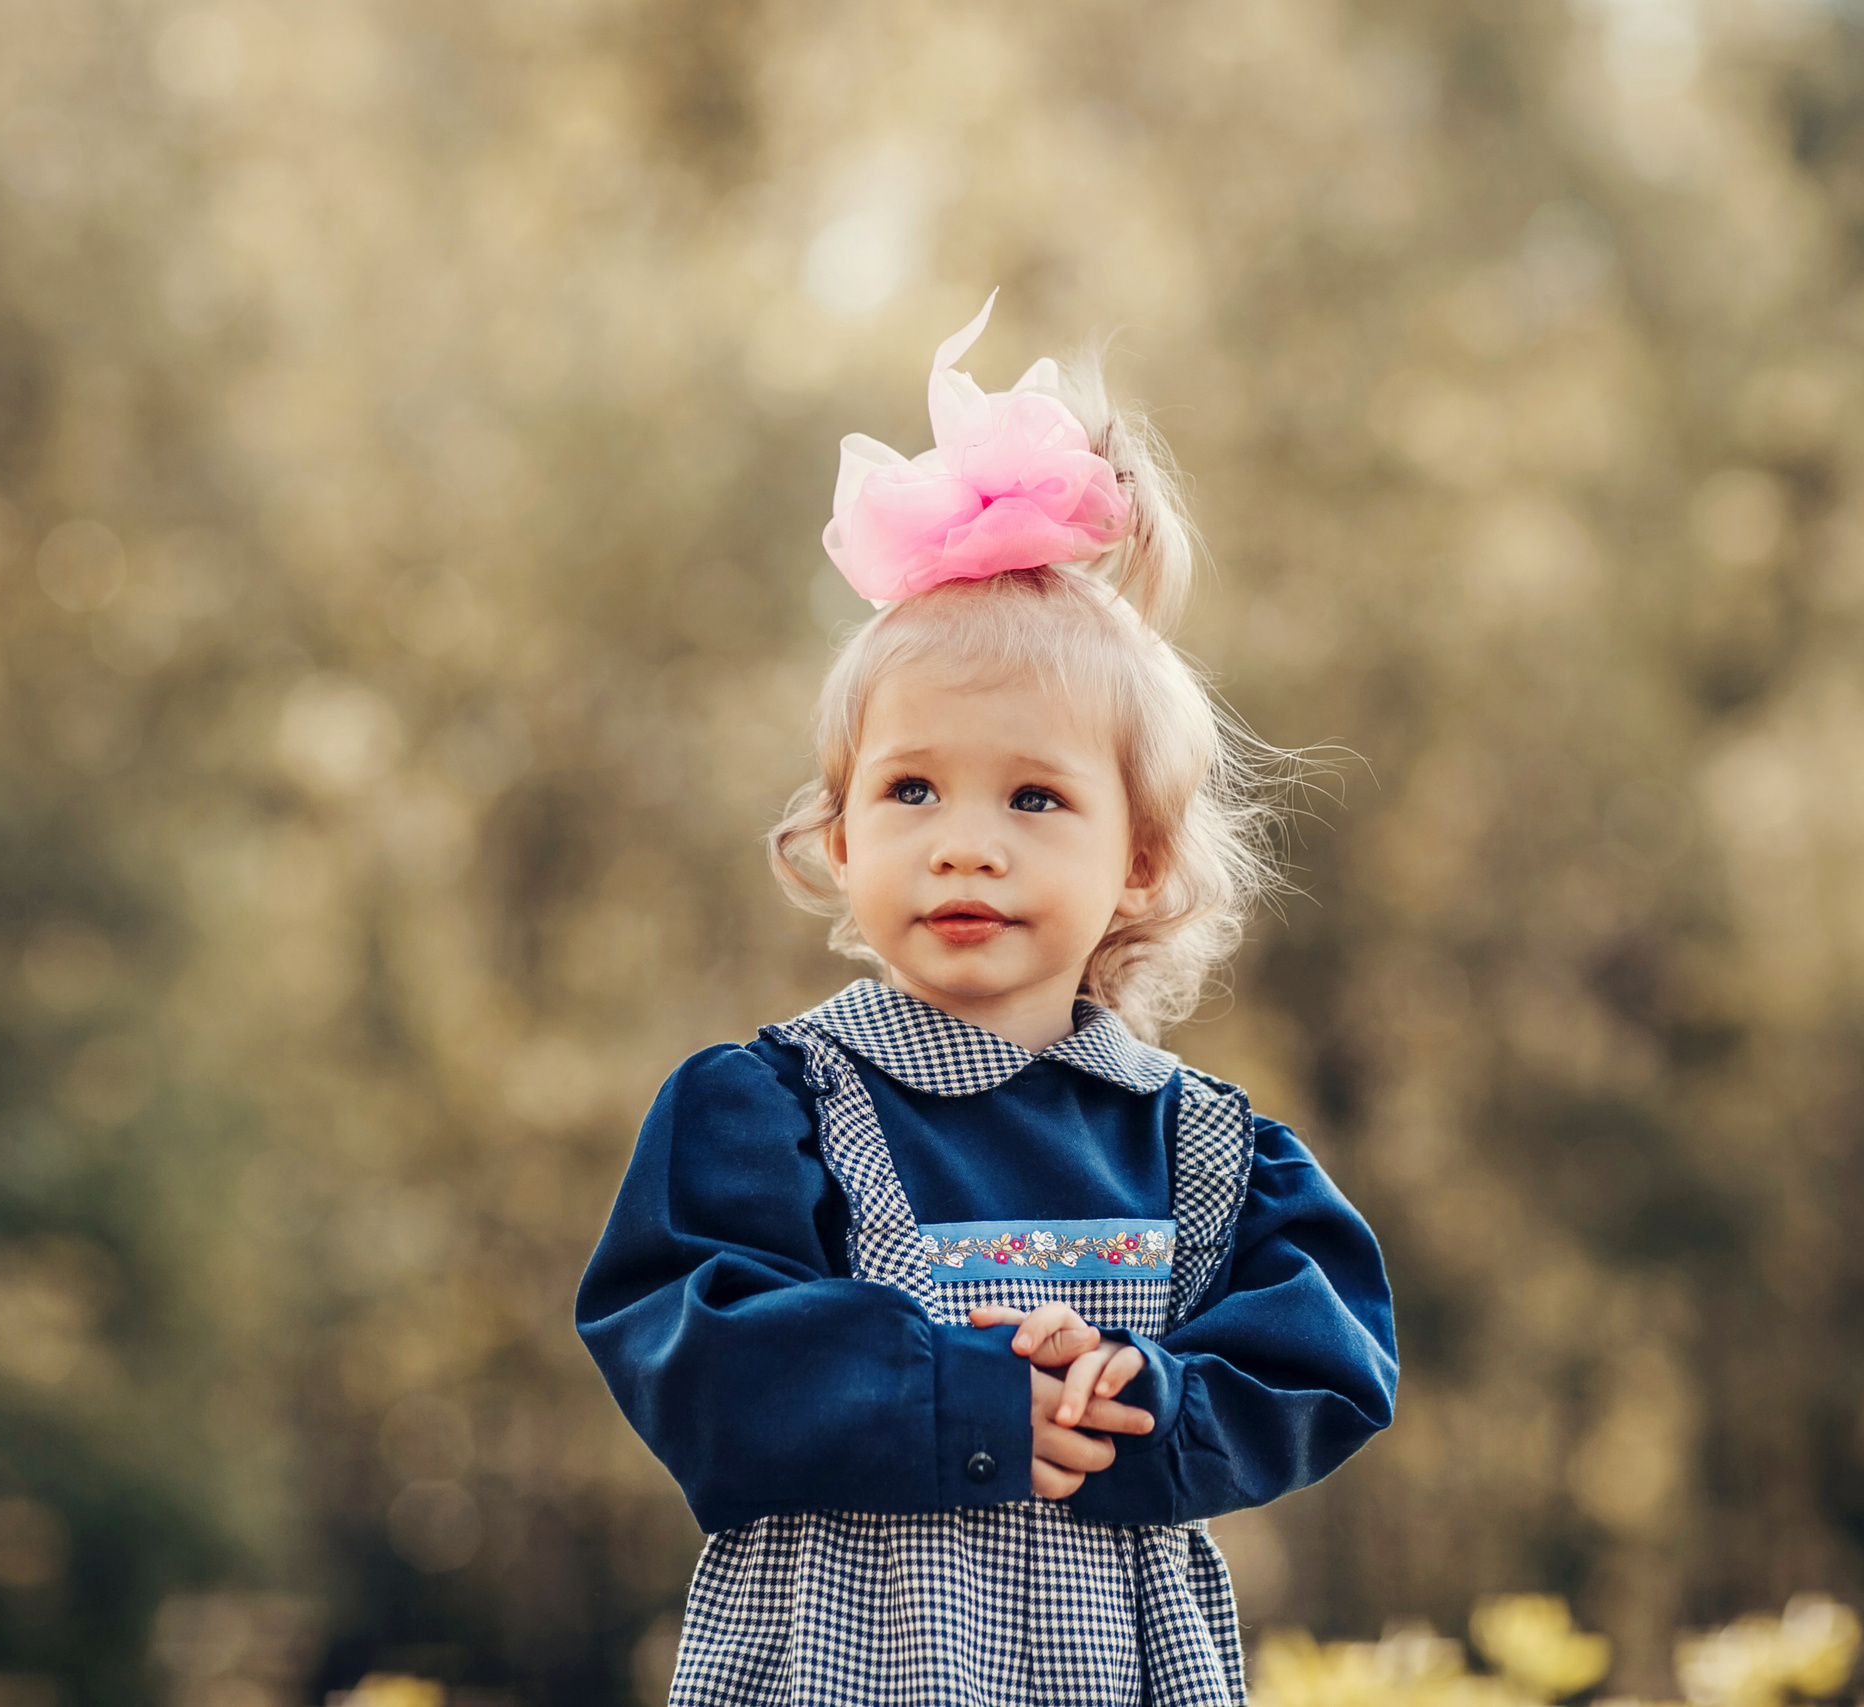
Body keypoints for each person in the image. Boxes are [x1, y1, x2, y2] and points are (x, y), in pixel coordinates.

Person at [576, 293, 1398, 1707]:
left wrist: (1143, 1397)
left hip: (1116, 1665)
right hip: (846, 1666)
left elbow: (1328, 1358)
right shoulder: (766, 1116)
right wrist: (971, 1402)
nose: (966, 840)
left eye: (1034, 796)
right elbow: (694, 1356)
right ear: (840, 841)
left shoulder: (1198, 1147)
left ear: (1136, 862)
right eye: (910, 791)